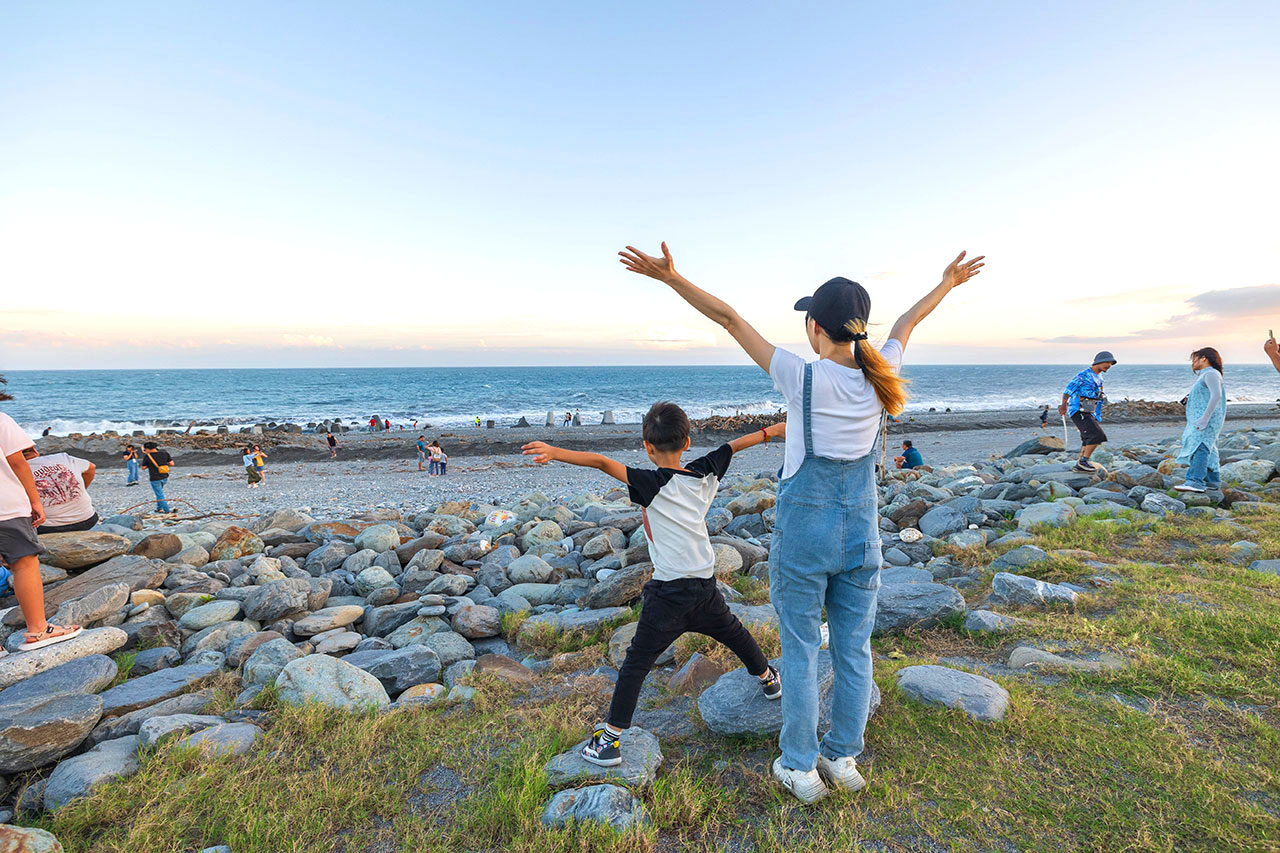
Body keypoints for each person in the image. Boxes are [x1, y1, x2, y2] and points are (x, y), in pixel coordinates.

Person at [618, 241, 983, 803]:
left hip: (805, 536)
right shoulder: (882, 370)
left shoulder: (800, 377)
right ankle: (843, 755)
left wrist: (671, 279)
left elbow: (729, 318)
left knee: (801, 648)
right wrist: (948, 283)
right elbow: (909, 319)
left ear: (815, 328)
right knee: (853, 649)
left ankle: (799, 766)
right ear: (860, 328)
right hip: (861, 533)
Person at [522, 404, 786, 768]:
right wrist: (772, 432)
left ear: (647, 446)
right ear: (688, 442)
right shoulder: (706, 471)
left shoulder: (650, 483)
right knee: (735, 634)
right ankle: (769, 679)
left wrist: (554, 453)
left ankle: (610, 741)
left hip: (668, 595)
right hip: (705, 587)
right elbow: (735, 446)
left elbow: (601, 462)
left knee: (636, 664)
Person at [0, 404, 83, 652]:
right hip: (5, 504)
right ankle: (38, 629)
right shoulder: (1, 419)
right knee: (24, 562)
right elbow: (17, 462)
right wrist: (35, 500)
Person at [1174, 348, 1226, 493]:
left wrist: (1204, 418)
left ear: (1204, 358)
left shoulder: (1210, 373)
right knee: (1209, 447)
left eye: (1194, 359)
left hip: (1207, 419)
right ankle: (1212, 481)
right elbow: (1207, 393)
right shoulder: (1208, 374)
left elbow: (1216, 396)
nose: (1192, 363)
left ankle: (1195, 481)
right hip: (1206, 419)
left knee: (1200, 446)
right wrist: (1190, 397)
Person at [1059, 352, 1116, 473]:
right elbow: (1069, 389)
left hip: (1088, 410)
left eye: (1111, 363)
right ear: (1098, 362)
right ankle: (1083, 461)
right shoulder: (1083, 375)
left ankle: (1080, 463)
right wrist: (1063, 405)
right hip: (1078, 409)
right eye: (1107, 362)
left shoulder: (1099, 377)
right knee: (1097, 435)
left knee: (1087, 437)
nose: (1109, 365)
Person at [21, 447, 98, 533]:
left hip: (48, 527)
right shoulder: (63, 457)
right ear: (35, 451)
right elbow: (91, 467)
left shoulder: (13, 471)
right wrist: (80, 489)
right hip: (87, 519)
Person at [139, 441, 174, 514]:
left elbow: (143, 467)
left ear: (147, 449)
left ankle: (167, 510)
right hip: (164, 476)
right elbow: (171, 463)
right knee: (159, 493)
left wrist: (150, 464)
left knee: (159, 494)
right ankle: (159, 508)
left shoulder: (147, 456)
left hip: (155, 478)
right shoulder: (165, 453)